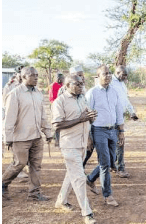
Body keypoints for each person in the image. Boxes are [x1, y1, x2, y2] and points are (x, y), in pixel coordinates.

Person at [52, 75, 98, 224]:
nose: (80, 86)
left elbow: (86, 119)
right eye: (77, 84)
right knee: (79, 177)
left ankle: (61, 200)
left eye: (82, 84)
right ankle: (87, 213)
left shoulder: (82, 99)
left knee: (71, 174)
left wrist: (91, 118)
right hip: (69, 144)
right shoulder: (60, 102)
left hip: (82, 143)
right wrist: (81, 119)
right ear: (67, 85)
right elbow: (57, 125)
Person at [2, 67, 52, 201]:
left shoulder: (38, 93)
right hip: (20, 138)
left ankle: (34, 193)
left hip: (36, 137)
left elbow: (42, 115)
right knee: (19, 163)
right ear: (23, 77)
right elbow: (9, 118)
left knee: (36, 166)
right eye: (32, 75)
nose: (36, 77)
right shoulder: (15, 94)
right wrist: (8, 138)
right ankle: (3, 184)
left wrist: (47, 131)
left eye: (37, 75)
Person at [85, 65, 125, 207]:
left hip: (112, 130)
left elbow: (118, 111)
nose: (107, 76)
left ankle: (90, 179)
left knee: (112, 159)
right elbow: (87, 115)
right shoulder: (92, 93)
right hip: (98, 130)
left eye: (109, 73)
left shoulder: (114, 92)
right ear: (98, 76)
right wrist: (89, 136)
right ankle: (108, 195)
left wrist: (121, 131)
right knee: (105, 163)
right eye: (104, 74)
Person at [109, 65, 138, 178]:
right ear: (117, 72)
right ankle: (120, 168)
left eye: (126, 75)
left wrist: (132, 112)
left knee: (118, 142)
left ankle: (115, 166)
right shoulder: (110, 82)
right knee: (119, 143)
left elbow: (125, 100)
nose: (125, 77)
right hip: (111, 118)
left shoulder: (122, 84)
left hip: (120, 118)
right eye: (124, 74)